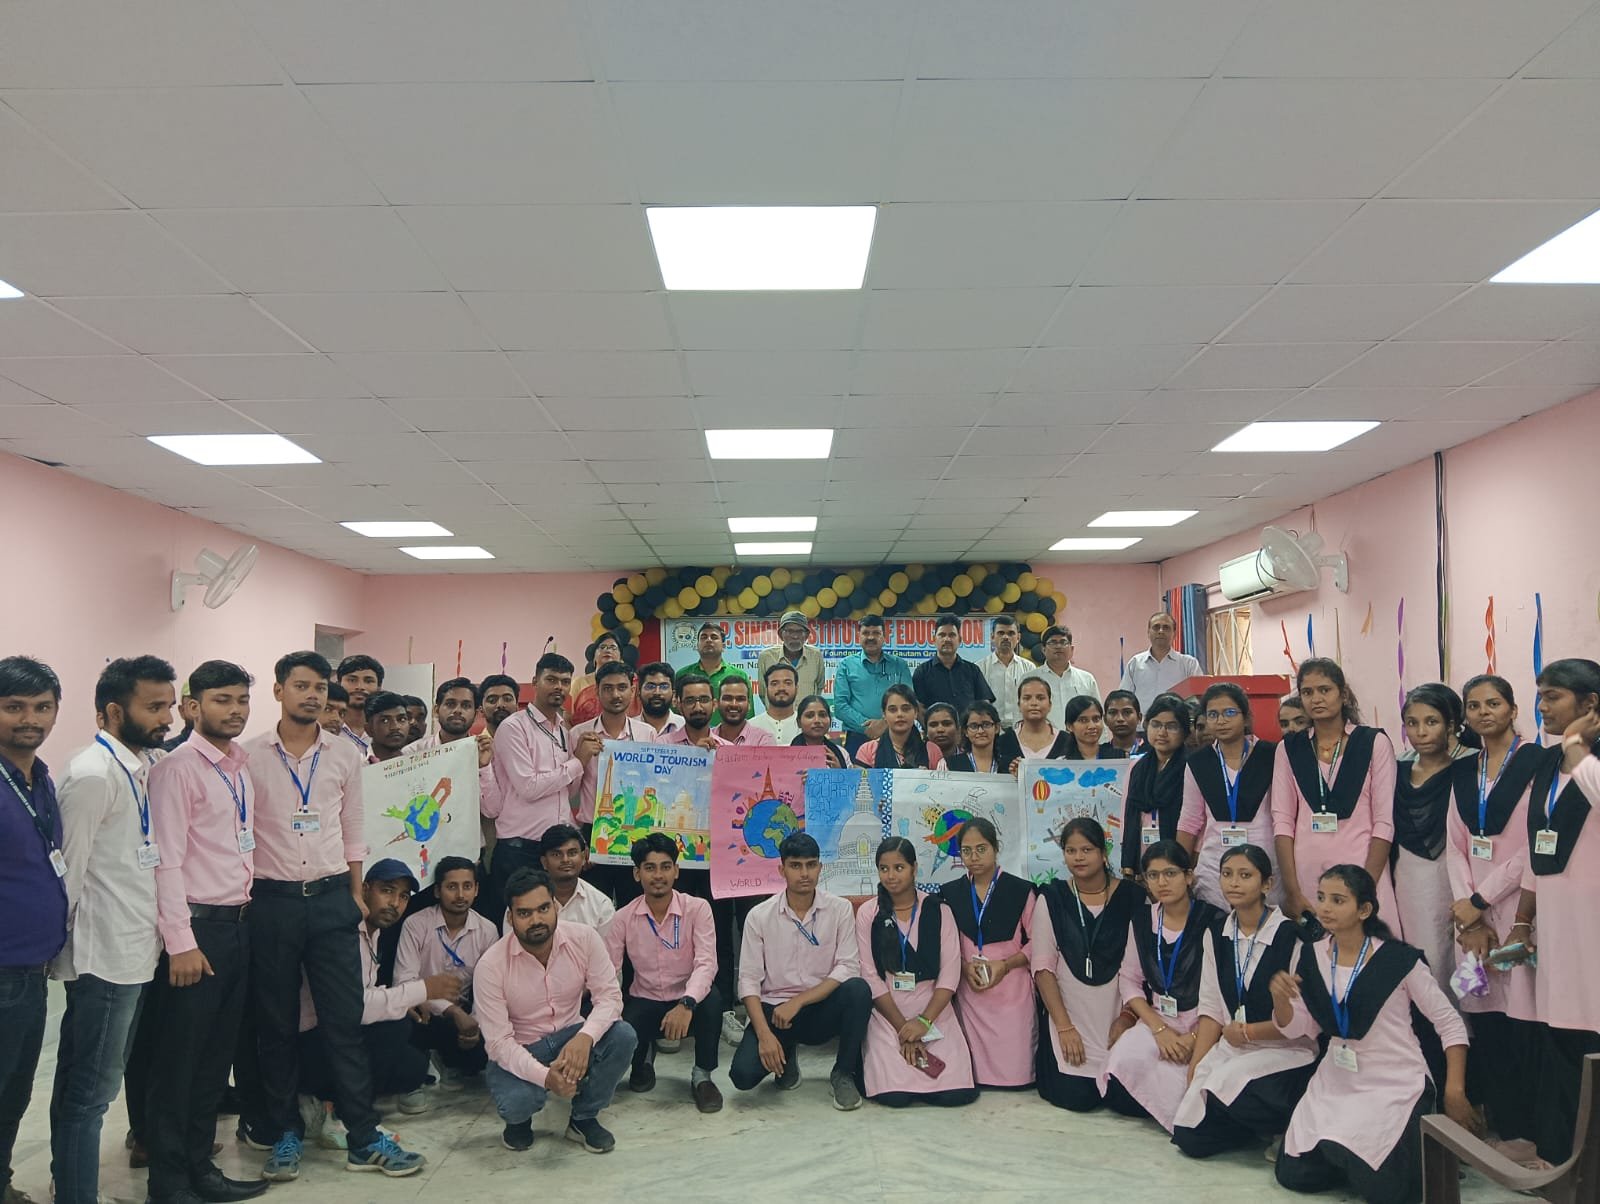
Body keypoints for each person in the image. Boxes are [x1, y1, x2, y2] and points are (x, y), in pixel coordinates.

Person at [243, 650, 424, 1183]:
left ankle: (363, 1136)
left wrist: (354, 893)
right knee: (276, 1025)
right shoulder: (248, 756)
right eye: (302, 686)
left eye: (320, 687)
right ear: (279, 690)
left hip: (329, 899)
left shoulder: (344, 754)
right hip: (272, 900)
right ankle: (285, 1133)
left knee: (343, 1022)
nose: (313, 695)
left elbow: (354, 825)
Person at [143, 660, 271, 1204]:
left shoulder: (238, 766)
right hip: (197, 931)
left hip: (237, 926)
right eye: (222, 699)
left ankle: (201, 1169)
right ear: (192, 707)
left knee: (214, 1063)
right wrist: (181, 943)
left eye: (242, 699)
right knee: (180, 1064)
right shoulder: (177, 770)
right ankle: (169, 1182)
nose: (235, 710)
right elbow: (165, 861)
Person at [49, 656, 175, 1204]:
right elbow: (68, 875)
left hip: (135, 949)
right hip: (104, 957)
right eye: (155, 707)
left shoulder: (140, 765)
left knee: (85, 1081)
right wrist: (64, 959)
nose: (167, 718)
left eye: (170, 706)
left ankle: (69, 1183)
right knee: (91, 1092)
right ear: (114, 711)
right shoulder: (92, 775)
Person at [1271, 865, 1472, 1203]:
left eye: (1338, 900)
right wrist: (1280, 1000)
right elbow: (1302, 1028)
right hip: (1337, 1080)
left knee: (1389, 1192)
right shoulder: (1310, 954)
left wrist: (1454, 1088)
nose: (1325, 908)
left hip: (1395, 1082)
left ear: (1364, 910)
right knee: (1296, 1175)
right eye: (1321, 898)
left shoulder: (1398, 959)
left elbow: (1449, 1023)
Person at [475, 868, 637, 1155]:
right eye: (524, 913)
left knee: (623, 1036)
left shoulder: (584, 938)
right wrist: (546, 1077)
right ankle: (519, 1123)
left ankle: (583, 1118)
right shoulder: (490, 966)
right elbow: (499, 1043)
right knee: (517, 1102)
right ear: (510, 918)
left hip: (571, 1034)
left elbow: (610, 997)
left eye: (543, 909)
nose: (536, 920)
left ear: (555, 907)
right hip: (523, 1046)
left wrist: (585, 1037)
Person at [1172, 844, 1316, 1159]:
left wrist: (1250, 1032)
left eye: (1245, 875)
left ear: (1267, 884)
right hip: (1234, 1047)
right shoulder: (1216, 933)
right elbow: (1211, 1005)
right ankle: (1254, 1129)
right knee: (1190, 1138)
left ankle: (1288, 1124)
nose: (1234, 883)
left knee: (1233, 1085)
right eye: (1227, 874)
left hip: (1285, 1050)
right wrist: (1198, 1063)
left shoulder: (1292, 936)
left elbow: (1305, 1022)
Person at [1512, 657, 1600, 1166]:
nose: (1542, 706)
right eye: (1541, 695)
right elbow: (1536, 846)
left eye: (1554, 696)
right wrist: (1523, 919)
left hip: (1593, 926)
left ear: (1590, 703)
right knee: (1560, 1039)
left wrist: (1576, 746)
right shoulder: (1546, 763)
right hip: (1557, 924)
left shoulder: (1582, 759)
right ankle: (1561, 1157)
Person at [1446, 674, 1539, 1145]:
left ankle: (1532, 1131)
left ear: (1513, 709)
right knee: (1484, 1019)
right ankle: (1499, 1126)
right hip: (1472, 919)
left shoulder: (1539, 763)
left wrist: (1482, 898)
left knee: (1525, 1021)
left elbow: (1533, 847)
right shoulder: (1464, 770)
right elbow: (1454, 845)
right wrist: (1470, 914)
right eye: (1474, 705)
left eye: (1494, 703)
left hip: (1522, 905)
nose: (1483, 712)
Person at [298, 860, 462, 1124]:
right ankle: (334, 1106)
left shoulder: (372, 932)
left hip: (337, 1035)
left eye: (404, 896)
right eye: (387, 891)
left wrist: (408, 1000)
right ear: (364, 890)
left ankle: (340, 1098)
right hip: (311, 1042)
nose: (395, 903)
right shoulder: (344, 934)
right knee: (395, 1032)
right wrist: (423, 989)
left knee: (411, 1061)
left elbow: (366, 992)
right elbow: (355, 1007)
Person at [729, 832, 871, 1110]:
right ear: (782, 870)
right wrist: (765, 1035)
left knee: (858, 990)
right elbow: (748, 981)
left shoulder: (840, 909)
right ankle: (787, 1058)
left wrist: (799, 1002)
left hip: (820, 1006)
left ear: (820, 868)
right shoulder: (759, 916)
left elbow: (847, 966)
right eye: (795, 866)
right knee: (742, 1077)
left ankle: (843, 1073)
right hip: (775, 1013)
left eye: (811, 865)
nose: (804, 874)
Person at [0, 657, 67, 1204]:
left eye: (42, 707)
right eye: (14, 707)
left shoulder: (40, 777)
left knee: (14, 1091)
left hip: (31, 969)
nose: (30, 719)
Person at [1100, 841, 1225, 1132]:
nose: (1162, 882)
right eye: (1153, 875)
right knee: (1123, 1061)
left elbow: (1222, 991)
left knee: (1194, 1089)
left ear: (1189, 876)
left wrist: (1193, 1038)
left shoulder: (1214, 921)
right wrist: (1159, 1030)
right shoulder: (1142, 920)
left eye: (1170, 873)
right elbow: (1129, 980)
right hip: (1158, 1020)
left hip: (1205, 1024)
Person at [1271, 658, 1398, 930]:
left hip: (1363, 870)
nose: (1316, 698)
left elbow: (1384, 822)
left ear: (1343, 694)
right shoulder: (1289, 748)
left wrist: (1367, 887)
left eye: (1325, 690)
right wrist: (1292, 891)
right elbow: (1282, 823)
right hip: (1307, 876)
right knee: (1316, 952)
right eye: (1307, 692)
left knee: (1370, 950)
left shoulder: (1373, 743)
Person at [602, 832, 723, 1113]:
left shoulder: (698, 909)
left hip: (688, 998)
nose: (658, 875)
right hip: (645, 998)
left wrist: (687, 1003)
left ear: (676, 871)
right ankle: (643, 1058)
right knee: (624, 1029)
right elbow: (610, 971)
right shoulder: (622, 918)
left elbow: (707, 963)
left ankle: (702, 1076)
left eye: (666, 867)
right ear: (637, 874)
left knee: (713, 1001)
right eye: (650, 868)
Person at [856, 838, 977, 1107]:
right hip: (888, 1014)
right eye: (884, 869)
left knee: (954, 1095)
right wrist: (904, 1029)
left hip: (934, 1012)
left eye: (899, 868)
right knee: (894, 1097)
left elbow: (950, 974)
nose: (891, 876)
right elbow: (870, 977)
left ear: (914, 868)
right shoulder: (868, 913)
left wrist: (923, 1023)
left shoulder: (939, 910)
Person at [1031, 817, 1140, 1111]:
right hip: (1069, 1016)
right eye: (1071, 850)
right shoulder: (1052, 898)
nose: (1078, 857)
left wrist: (1128, 1017)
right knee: (1077, 1097)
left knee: (1124, 1100)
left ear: (1103, 853)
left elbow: (1141, 970)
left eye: (1087, 850)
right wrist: (1064, 1027)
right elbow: (1042, 968)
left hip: (1119, 1014)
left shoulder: (1133, 897)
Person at [487, 653, 603, 916]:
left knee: (551, 924)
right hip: (519, 849)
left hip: (554, 851)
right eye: (551, 680)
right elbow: (529, 787)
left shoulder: (562, 730)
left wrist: (576, 840)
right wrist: (578, 761)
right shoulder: (513, 727)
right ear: (535, 682)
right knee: (515, 926)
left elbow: (567, 793)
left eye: (565, 681)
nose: (559, 687)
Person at [938, 817, 1036, 1088]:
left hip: (1012, 986)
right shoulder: (950, 893)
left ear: (996, 848)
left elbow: (1038, 942)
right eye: (967, 851)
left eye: (981, 849)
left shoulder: (1021, 890)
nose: (974, 857)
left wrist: (1005, 965)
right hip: (970, 988)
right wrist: (962, 967)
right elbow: (944, 944)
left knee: (1016, 1074)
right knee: (972, 1074)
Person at [394, 856, 498, 1085]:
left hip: (464, 1014)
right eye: (452, 887)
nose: (460, 895)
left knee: (483, 1053)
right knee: (402, 1023)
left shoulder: (487, 930)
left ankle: (445, 1058)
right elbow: (403, 982)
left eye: (467, 886)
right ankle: (425, 1061)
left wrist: (474, 1024)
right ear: (437, 891)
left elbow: (490, 989)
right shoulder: (416, 924)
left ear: (476, 890)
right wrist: (453, 1012)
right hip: (423, 1012)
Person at [1179, 683, 1282, 912]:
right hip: (1214, 868)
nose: (1221, 720)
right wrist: (1179, 868)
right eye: (1213, 714)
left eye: (1229, 712)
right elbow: (1189, 821)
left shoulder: (1272, 754)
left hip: (1264, 863)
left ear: (1245, 717)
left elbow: (1284, 816)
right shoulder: (1198, 762)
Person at [1392, 683, 1467, 994]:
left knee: (1449, 952)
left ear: (1450, 725)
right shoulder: (1396, 768)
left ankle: (1457, 1021)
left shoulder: (1467, 769)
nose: (1421, 732)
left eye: (1431, 722)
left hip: (1452, 872)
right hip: (1406, 874)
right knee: (1416, 950)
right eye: (1412, 723)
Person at [568, 662, 656, 831]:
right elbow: (569, 793)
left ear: (633, 690)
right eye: (608, 688)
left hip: (634, 827)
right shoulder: (578, 734)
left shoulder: (647, 734)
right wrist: (580, 760)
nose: (615, 695)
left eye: (622, 687)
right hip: (592, 828)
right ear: (597, 691)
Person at [1118, 695, 1190, 879]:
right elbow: (1127, 814)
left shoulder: (1191, 767)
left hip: (1176, 853)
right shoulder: (1137, 767)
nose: (1162, 732)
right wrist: (1127, 862)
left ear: (1184, 731)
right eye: (1156, 724)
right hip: (1141, 853)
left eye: (1171, 726)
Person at [405, 676, 496, 820]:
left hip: (469, 834)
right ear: (436, 710)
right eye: (450, 704)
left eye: (466, 705)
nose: (458, 710)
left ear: (476, 714)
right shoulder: (413, 752)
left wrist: (484, 767)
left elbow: (492, 811)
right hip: (424, 831)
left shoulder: (484, 752)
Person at [832, 614, 914, 755]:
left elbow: (909, 702)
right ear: (859, 636)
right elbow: (840, 706)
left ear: (884, 637)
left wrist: (884, 723)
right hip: (857, 737)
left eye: (876, 633)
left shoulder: (899, 665)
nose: (870, 637)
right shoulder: (846, 665)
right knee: (857, 771)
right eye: (866, 633)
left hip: (896, 736)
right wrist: (867, 726)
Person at [912, 614, 996, 716]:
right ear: (934, 640)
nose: (947, 639)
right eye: (942, 635)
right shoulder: (922, 672)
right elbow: (919, 707)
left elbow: (984, 703)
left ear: (960, 640)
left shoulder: (973, 670)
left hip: (968, 726)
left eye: (952, 635)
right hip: (935, 726)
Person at [538, 823, 615, 932]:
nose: (565, 860)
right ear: (544, 862)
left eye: (572, 853)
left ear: (583, 858)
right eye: (556, 854)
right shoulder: (527, 899)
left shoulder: (601, 904)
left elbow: (606, 943)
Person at [1121, 612, 1202, 713]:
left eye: (1166, 628)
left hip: (1178, 722)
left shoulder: (1189, 664)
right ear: (1148, 632)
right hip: (1142, 722)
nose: (1161, 631)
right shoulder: (1135, 663)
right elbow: (1124, 698)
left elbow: (1198, 699)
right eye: (1156, 627)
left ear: (1174, 634)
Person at [854, 684, 943, 769]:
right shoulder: (868, 750)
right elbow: (860, 780)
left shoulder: (932, 750)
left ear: (916, 712)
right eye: (893, 710)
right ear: (884, 714)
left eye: (906, 709)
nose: (899, 714)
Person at [567, 634, 641, 726]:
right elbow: (567, 717)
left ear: (621, 658)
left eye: (613, 648)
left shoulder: (633, 682)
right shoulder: (578, 683)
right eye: (602, 647)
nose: (608, 650)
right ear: (594, 657)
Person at [995, 677, 1072, 765]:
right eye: (1027, 698)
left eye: (1040, 698)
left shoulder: (1067, 741)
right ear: (1019, 705)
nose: (1034, 703)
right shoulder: (1003, 742)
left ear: (1050, 705)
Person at [1036, 625, 1100, 730]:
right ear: (1043, 649)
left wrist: (1101, 740)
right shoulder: (1030, 679)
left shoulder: (1087, 679)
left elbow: (1097, 715)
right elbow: (1020, 716)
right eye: (1052, 642)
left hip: (1080, 738)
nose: (1058, 646)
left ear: (1072, 649)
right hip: (1042, 739)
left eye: (1063, 642)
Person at [756, 610, 825, 700]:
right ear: (781, 634)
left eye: (799, 631)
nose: (795, 636)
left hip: (806, 709)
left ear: (807, 635)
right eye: (790, 631)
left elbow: (819, 687)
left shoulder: (815, 656)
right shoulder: (766, 657)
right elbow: (763, 693)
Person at [979, 615, 1031, 731]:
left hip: (1022, 729)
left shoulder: (1029, 668)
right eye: (1001, 633)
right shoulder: (980, 668)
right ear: (992, 637)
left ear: (1018, 637)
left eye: (1011, 633)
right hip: (991, 730)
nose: (1006, 637)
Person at [674, 622, 748, 700]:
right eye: (704, 637)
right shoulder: (682, 674)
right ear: (697, 646)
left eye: (714, 637)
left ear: (723, 646)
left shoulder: (740, 675)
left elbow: (748, 707)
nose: (708, 640)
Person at [336, 655, 384, 755]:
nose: (360, 687)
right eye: (352, 680)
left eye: (368, 681)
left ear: (379, 687)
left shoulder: (386, 729)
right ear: (338, 684)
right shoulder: (326, 728)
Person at [945, 702, 1008, 775]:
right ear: (965, 731)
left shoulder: (1010, 765)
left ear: (997, 728)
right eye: (974, 726)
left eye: (986, 724)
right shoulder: (950, 764)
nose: (980, 731)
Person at [712, 676, 774, 746]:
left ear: (749, 704)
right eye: (728, 698)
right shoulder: (707, 737)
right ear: (717, 703)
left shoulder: (763, 739)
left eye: (740, 699)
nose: (734, 704)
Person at [790, 695, 849, 768]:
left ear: (830, 720)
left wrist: (839, 772)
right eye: (810, 716)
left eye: (822, 715)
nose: (817, 720)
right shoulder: (785, 753)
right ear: (799, 722)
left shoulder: (842, 753)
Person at [662, 674, 717, 750]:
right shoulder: (662, 744)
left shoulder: (727, 747)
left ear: (714, 705)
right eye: (690, 701)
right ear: (680, 707)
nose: (697, 708)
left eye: (704, 700)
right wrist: (695, 753)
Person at [750, 662, 801, 744]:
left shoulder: (806, 726)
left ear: (797, 688)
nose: (781, 688)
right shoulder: (751, 726)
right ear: (766, 689)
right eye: (774, 684)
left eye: (788, 683)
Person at [633, 661, 683, 739]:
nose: (657, 692)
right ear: (639, 692)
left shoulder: (684, 726)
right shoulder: (629, 728)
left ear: (673, 694)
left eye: (664, 687)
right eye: (650, 687)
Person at [1061, 695, 1119, 760]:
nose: (1092, 726)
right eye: (1083, 720)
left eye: (1096, 719)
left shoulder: (1119, 758)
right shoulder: (1063, 763)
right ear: (1069, 726)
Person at [363, 691, 412, 763]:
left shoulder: (417, 763)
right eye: (385, 721)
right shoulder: (356, 764)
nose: (395, 727)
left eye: (402, 719)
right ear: (368, 729)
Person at [1104, 690, 1146, 756]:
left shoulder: (1153, 752)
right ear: (1105, 719)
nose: (1120, 719)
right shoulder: (1098, 754)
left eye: (1127, 712)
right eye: (1113, 712)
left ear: (1139, 718)